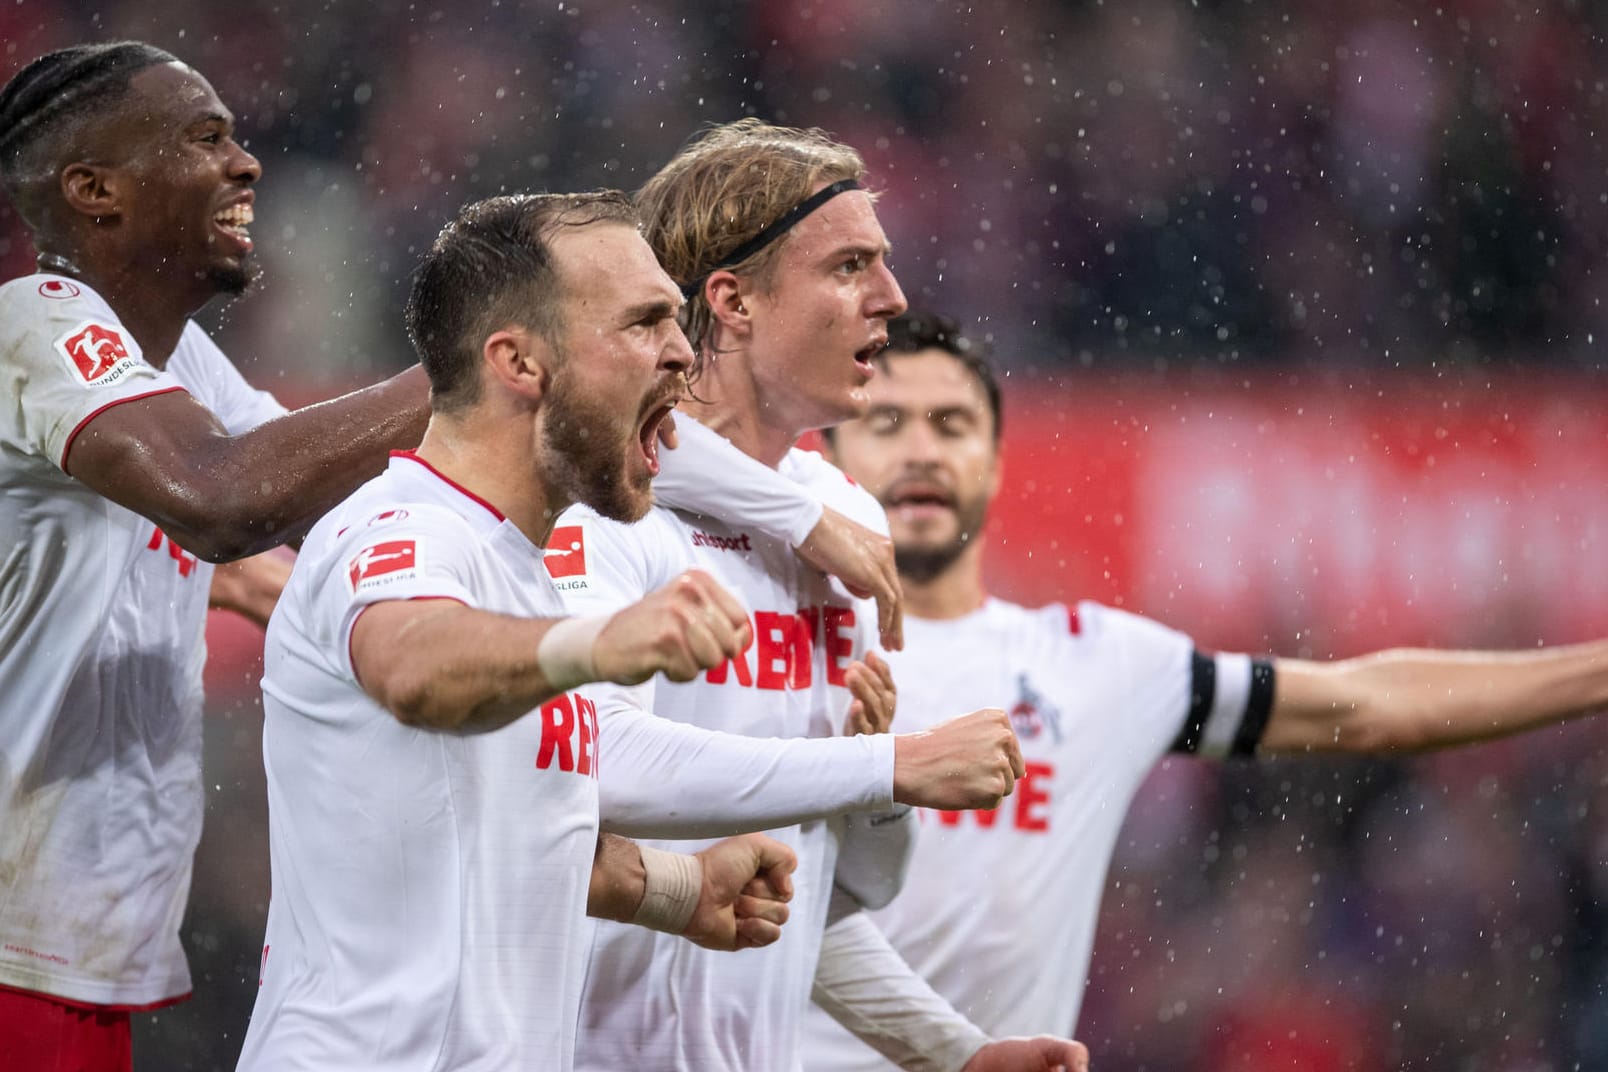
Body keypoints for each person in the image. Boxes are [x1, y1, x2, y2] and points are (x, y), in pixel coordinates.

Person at [236, 192, 1039, 1071]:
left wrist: (677, 890)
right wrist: (601, 648)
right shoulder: (400, 529)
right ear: (520, 363)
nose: (684, 351)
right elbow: (413, 666)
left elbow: (518, 837)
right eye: (644, 322)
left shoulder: (528, 567)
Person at [772, 312, 1608, 1069]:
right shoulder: (778, 647)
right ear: (833, 458)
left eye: (951, 424)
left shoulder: (1096, 663)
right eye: (887, 423)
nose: (921, 449)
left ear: (993, 464)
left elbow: (1365, 705)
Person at [559, 121, 1089, 1072]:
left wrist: (954, 1053)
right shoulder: (603, 512)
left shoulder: (847, 517)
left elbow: (823, 895)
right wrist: (893, 766)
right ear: (732, 301)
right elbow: (595, 780)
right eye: (849, 266)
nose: (891, 299)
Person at [0, 40, 437, 1070]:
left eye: (238, 136)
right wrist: (480, 358)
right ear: (94, 189)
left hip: (76, 947)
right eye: (203, 139)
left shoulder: (179, 363)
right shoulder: (31, 325)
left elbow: (333, 501)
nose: (245, 164)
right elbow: (223, 501)